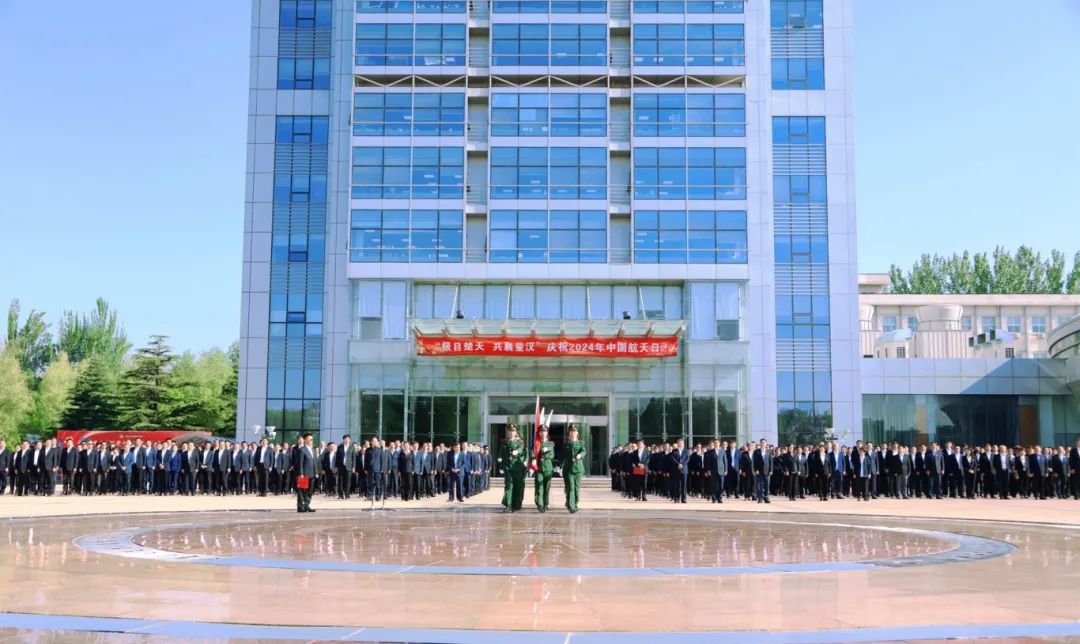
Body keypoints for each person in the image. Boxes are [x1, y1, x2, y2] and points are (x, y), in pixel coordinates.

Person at [499, 425, 526, 512]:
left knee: (517, 486)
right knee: (508, 485)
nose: (511, 432)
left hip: (517, 467)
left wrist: (517, 451)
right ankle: (508, 505)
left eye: (513, 431)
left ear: (516, 432)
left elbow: (521, 450)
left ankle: (516, 504)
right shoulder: (504, 442)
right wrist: (501, 466)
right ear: (507, 432)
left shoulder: (520, 443)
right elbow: (501, 455)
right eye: (510, 431)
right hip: (507, 467)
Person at [562, 424, 586, 513]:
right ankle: (571, 506)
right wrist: (559, 466)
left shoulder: (581, 443)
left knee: (576, 487)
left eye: (574, 431)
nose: (573, 433)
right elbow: (562, 455)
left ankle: (575, 503)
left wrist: (580, 455)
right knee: (571, 487)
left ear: (577, 433)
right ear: (569, 433)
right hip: (568, 468)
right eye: (571, 431)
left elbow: (584, 451)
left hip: (578, 468)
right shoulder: (566, 443)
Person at [533, 426, 555, 512]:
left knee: (547, 487)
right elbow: (532, 452)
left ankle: (546, 503)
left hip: (548, 467)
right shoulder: (536, 443)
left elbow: (552, 455)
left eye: (544, 431)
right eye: (541, 431)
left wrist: (546, 454)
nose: (543, 433)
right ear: (539, 433)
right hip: (539, 467)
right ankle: (540, 504)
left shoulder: (550, 443)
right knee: (539, 485)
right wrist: (533, 459)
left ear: (547, 433)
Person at [293, 433, 316, 513]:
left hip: (312, 474)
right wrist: (301, 474)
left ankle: (306, 505)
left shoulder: (313, 449)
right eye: (310, 439)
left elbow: (314, 462)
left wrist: (316, 472)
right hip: (304, 474)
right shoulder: (302, 450)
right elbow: (300, 463)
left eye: (312, 439)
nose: (312, 441)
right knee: (301, 491)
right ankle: (300, 507)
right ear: (305, 440)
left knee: (310, 491)